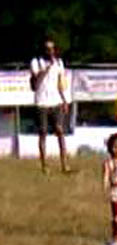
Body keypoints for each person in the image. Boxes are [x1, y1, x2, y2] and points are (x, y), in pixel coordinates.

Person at [30, 37, 72, 173]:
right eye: (47, 49)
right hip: (41, 101)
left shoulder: (59, 63)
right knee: (42, 132)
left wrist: (65, 100)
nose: (50, 51)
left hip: (56, 101)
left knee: (60, 131)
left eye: (52, 48)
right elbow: (35, 80)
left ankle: (64, 164)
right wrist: (46, 69)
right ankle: (44, 165)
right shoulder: (36, 62)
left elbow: (61, 83)